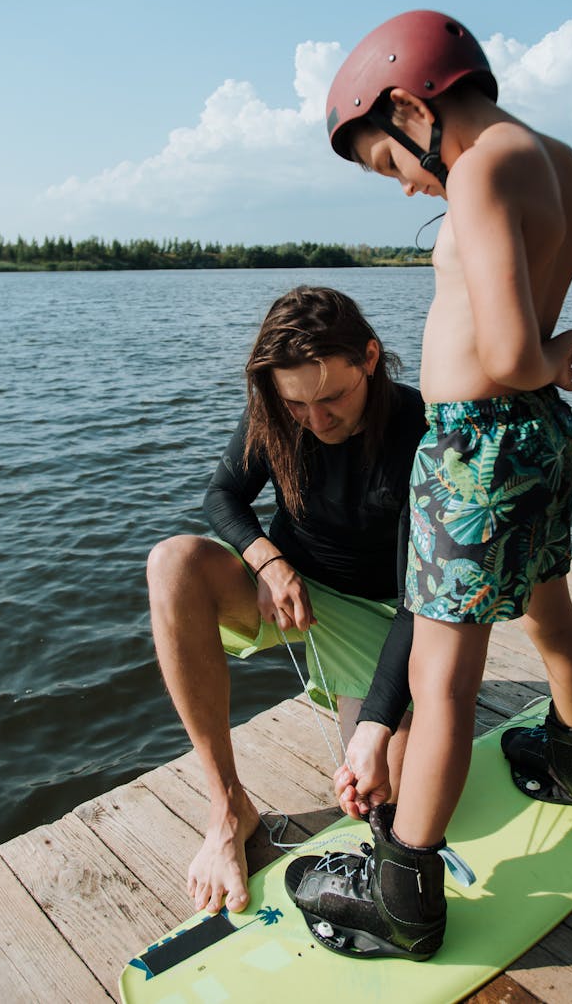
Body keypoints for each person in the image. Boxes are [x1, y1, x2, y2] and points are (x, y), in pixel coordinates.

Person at [285, 10, 572, 960]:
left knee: (443, 681)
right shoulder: (569, 165)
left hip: (472, 444)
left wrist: (538, 361)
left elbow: (506, 349)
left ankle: (405, 889)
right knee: (549, 606)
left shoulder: (482, 166)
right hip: (537, 439)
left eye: (388, 162)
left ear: (411, 107)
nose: (404, 182)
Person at [147, 285, 427, 915]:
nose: (317, 420)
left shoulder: (420, 425)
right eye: (297, 404)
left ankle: (374, 710)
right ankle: (227, 810)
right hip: (289, 590)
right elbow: (222, 495)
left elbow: (424, 596)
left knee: (394, 803)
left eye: (333, 397)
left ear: (371, 359)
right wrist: (270, 563)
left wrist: (379, 724)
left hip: (391, 612)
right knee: (172, 563)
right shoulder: (277, 408)